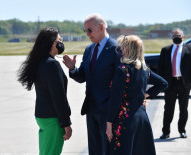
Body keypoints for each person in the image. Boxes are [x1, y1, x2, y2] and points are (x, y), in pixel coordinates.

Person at [63, 13, 119, 155]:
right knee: (94, 149)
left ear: (101, 27)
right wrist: (72, 69)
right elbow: (82, 76)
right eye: (85, 31)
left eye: (89, 30)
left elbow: (122, 80)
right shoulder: (89, 49)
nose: (87, 34)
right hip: (91, 108)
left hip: (108, 110)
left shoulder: (116, 49)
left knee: (107, 149)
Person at [106, 35, 168, 155]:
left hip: (124, 120)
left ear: (128, 49)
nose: (120, 50)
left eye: (122, 47)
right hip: (141, 118)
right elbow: (163, 83)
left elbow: (115, 100)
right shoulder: (145, 69)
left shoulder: (122, 70)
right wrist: (144, 95)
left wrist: (108, 123)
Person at [18, 27, 72, 155]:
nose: (61, 42)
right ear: (53, 43)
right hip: (53, 119)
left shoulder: (40, 62)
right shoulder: (52, 64)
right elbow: (58, 97)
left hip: (43, 116)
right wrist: (66, 123)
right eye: (60, 40)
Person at [158, 28, 191, 139]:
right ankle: (165, 132)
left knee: (183, 108)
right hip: (170, 83)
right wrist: (162, 82)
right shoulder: (165, 50)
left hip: (184, 83)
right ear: (171, 37)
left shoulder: (189, 49)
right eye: (174, 35)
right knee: (168, 108)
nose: (176, 37)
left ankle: (182, 130)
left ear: (183, 37)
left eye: (179, 35)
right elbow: (160, 68)